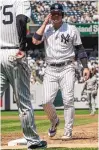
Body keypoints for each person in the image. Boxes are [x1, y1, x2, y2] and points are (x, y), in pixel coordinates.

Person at [32, 3, 90, 140]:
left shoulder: (71, 29)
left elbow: (80, 49)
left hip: (67, 67)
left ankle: (67, 131)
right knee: (46, 101)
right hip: (50, 68)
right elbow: (34, 40)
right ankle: (54, 121)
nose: (55, 15)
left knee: (68, 100)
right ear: (50, 15)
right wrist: (45, 22)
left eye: (58, 13)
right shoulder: (46, 29)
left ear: (62, 14)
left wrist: (85, 67)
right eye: (53, 13)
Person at [0, 0, 47, 149]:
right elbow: (21, 20)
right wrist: (22, 46)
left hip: (0, 51)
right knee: (24, 101)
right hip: (14, 52)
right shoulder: (20, 0)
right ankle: (33, 141)